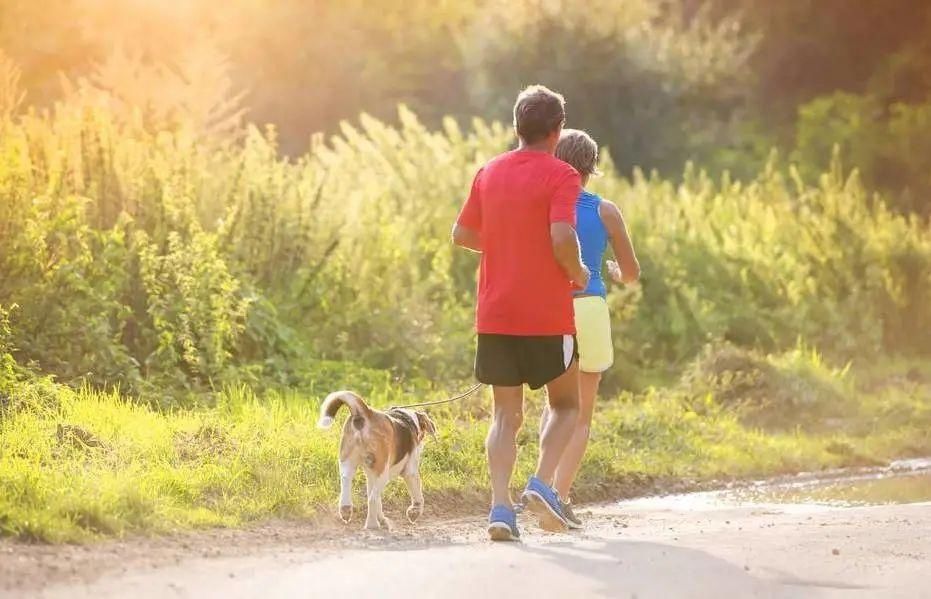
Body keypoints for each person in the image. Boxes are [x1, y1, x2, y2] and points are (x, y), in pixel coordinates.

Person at [452, 85, 589, 541]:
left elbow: (462, 233)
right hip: (546, 315)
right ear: (558, 130)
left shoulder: (488, 172)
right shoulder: (563, 174)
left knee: (504, 416)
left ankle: (499, 508)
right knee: (567, 404)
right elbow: (563, 239)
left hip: (496, 314)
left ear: (516, 127)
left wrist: (507, 245)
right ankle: (541, 483)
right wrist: (580, 272)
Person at [540, 128, 640, 529]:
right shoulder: (606, 211)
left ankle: (541, 486)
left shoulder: (545, 205)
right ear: (591, 167)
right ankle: (560, 497)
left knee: (553, 407)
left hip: (549, 310)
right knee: (580, 414)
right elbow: (631, 273)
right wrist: (615, 272)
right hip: (591, 309)